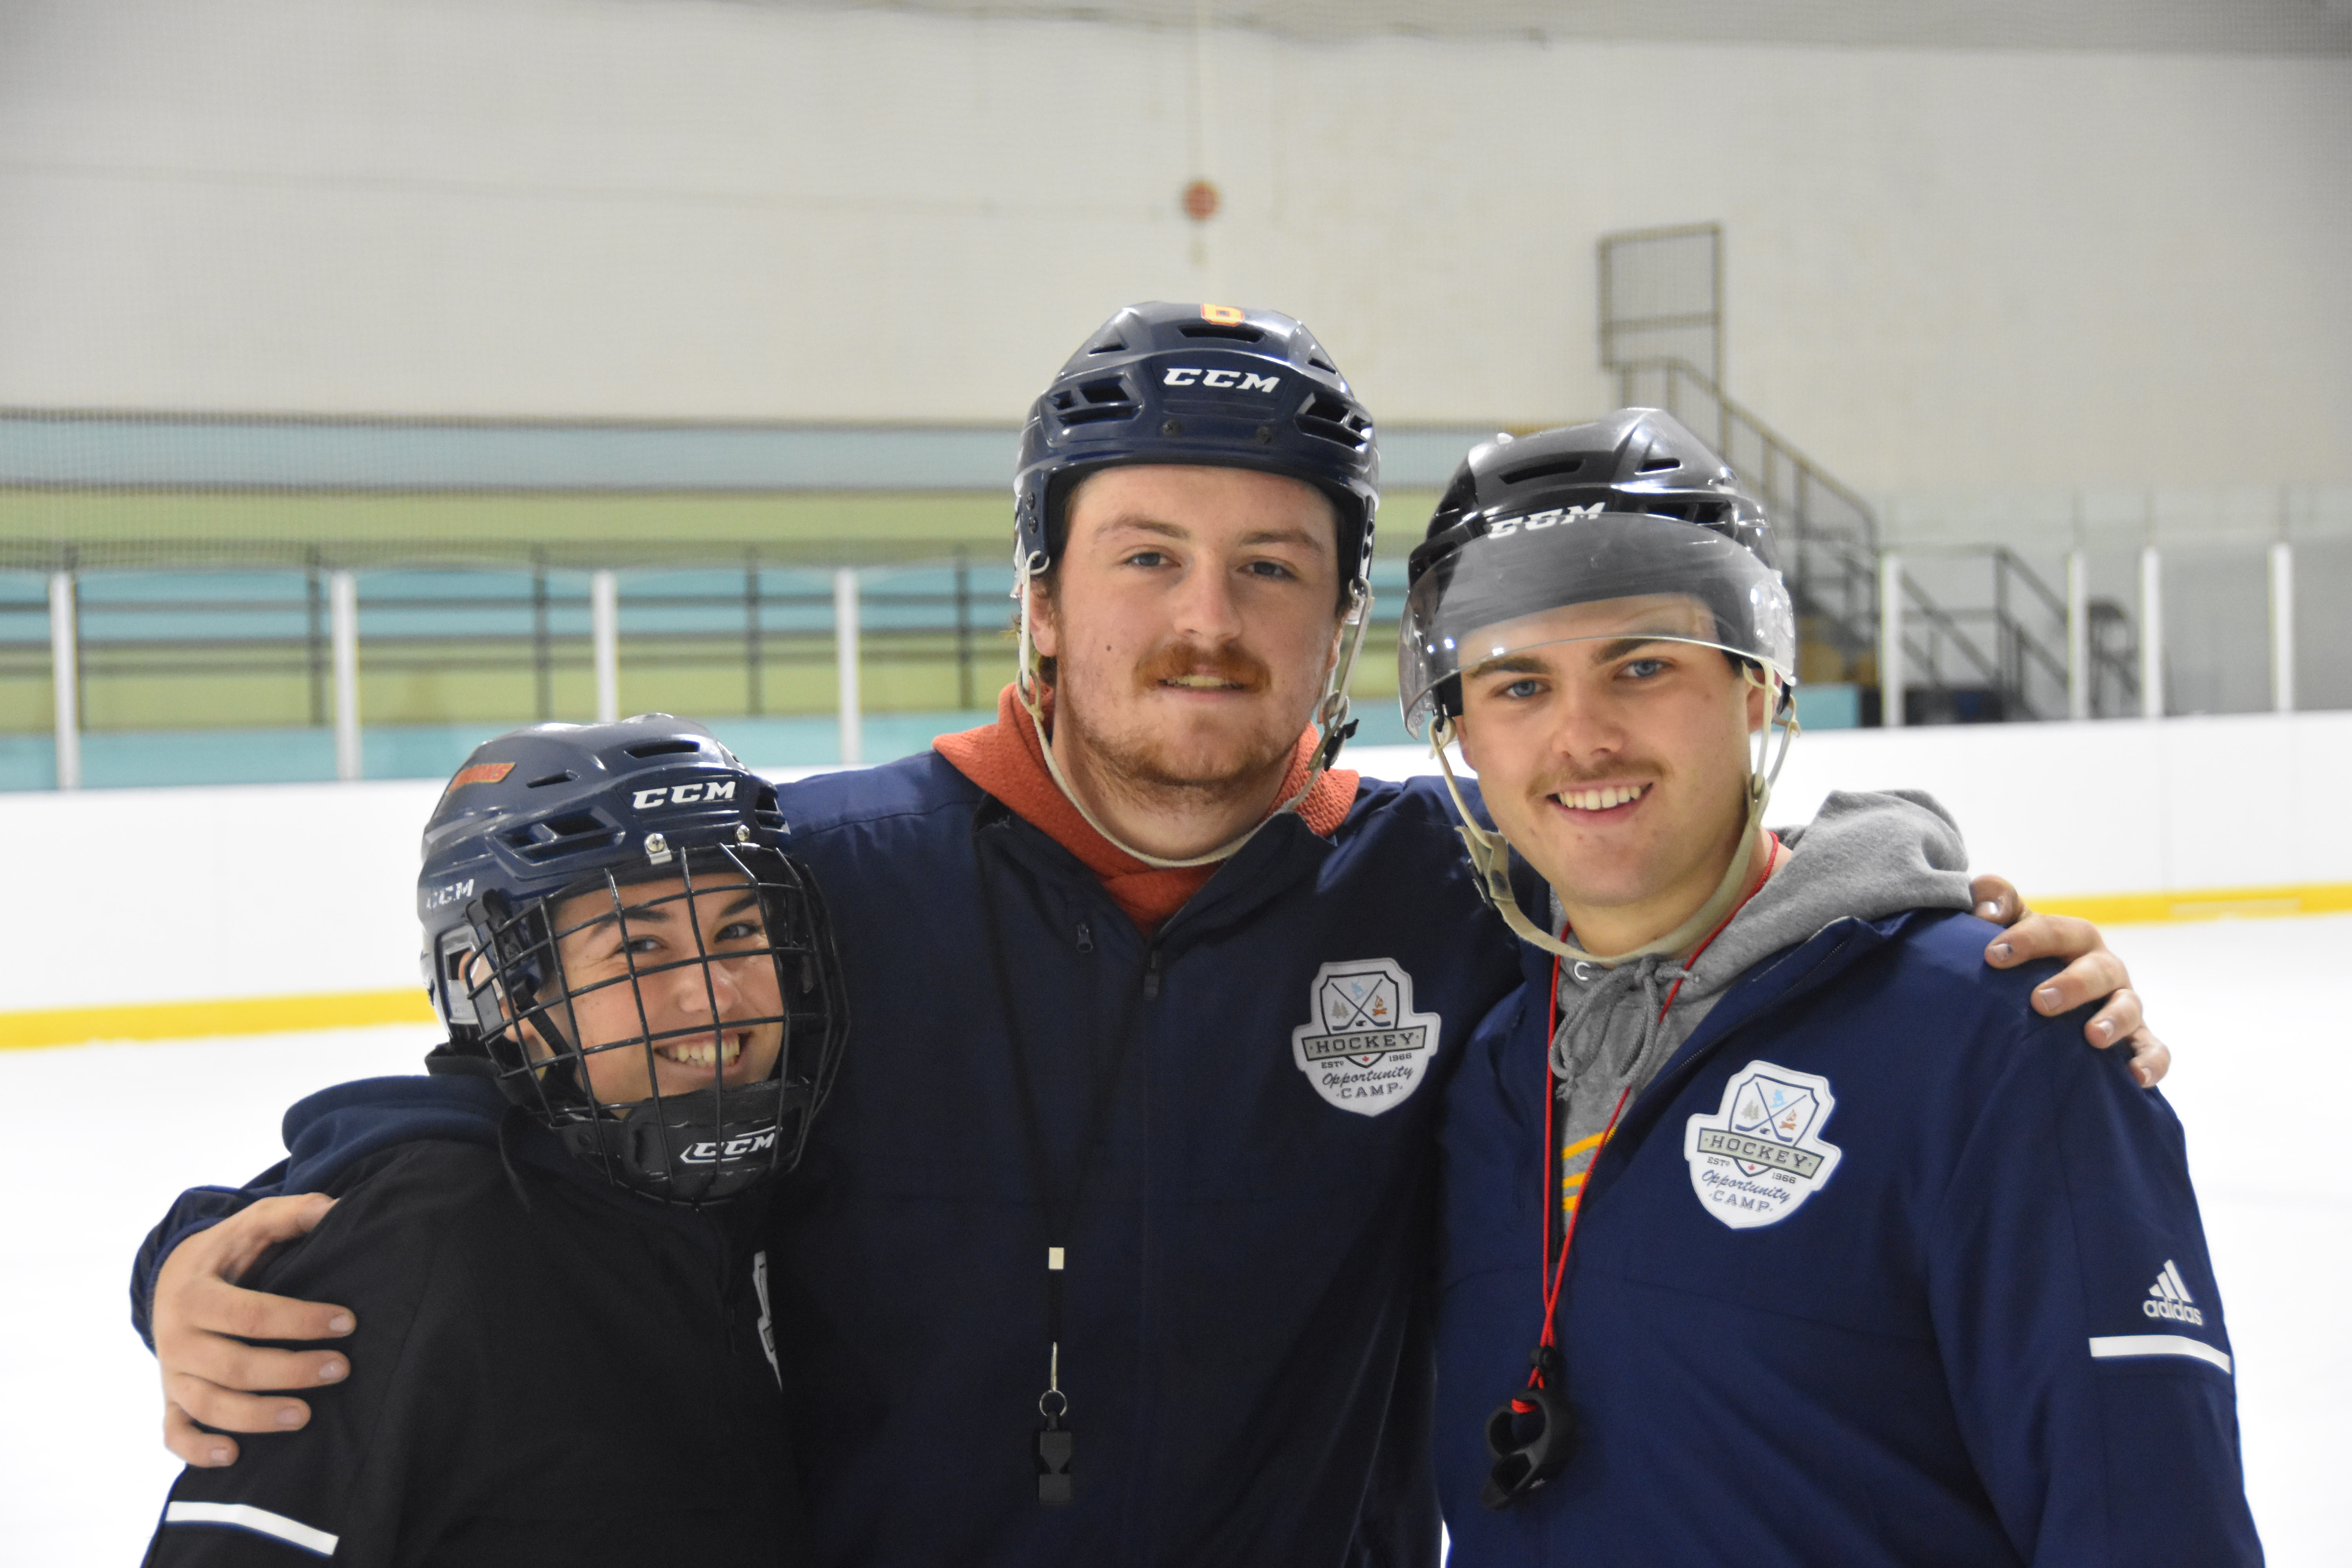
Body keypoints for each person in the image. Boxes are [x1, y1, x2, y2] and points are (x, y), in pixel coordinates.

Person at [131, 305, 2161, 1568]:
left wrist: (1954, 948)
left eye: (1272, 566)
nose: (1209, 616)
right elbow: (551, 1103)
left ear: (1345, 627)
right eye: (1148, 558)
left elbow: (1712, 898)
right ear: (1037, 599)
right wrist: (220, 1239)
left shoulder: (1453, 891)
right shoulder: (825, 879)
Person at [1410, 412, 2260, 1564]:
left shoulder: (1998, 1039)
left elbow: (2151, 1524)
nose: (1584, 737)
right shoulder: (1487, 1069)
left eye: (1644, 666)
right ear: (1461, 735)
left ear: (1755, 687)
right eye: (1518, 687)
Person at [142, 717, 847, 1565]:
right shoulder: (419, 1248)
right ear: (497, 987)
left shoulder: (766, 1182)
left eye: (739, 930)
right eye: (639, 946)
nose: (716, 993)